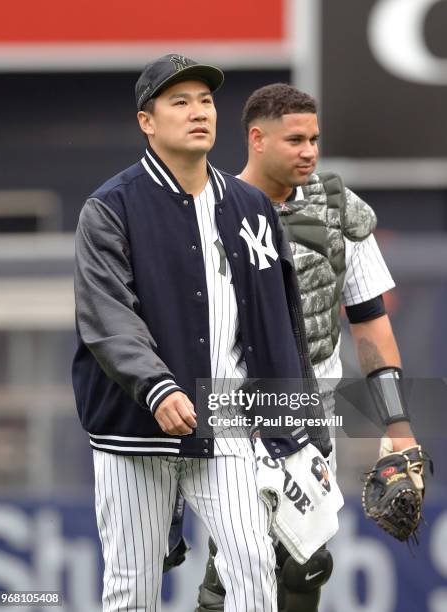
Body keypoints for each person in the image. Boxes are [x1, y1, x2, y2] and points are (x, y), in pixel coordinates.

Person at [72, 59, 331, 612]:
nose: (198, 112)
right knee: (132, 590)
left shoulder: (250, 205)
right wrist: (157, 386)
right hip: (136, 428)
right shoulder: (111, 207)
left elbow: (280, 325)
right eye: (180, 102)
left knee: (254, 567)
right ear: (147, 121)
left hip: (228, 417)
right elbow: (106, 314)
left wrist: (303, 427)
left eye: (205, 101)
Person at [182, 83, 416, 612]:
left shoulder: (337, 207)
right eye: (295, 140)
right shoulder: (210, 209)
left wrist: (399, 430)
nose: (309, 150)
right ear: (256, 139)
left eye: (314, 138)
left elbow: (370, 323)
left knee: (306, 563)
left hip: (313, 413)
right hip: (237, 410)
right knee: (237, 571)